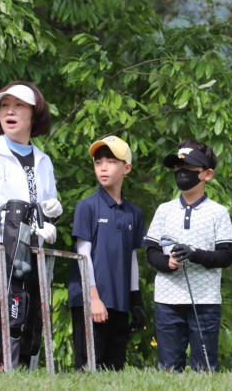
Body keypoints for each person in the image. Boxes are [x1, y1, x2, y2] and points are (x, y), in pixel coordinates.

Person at [0, 81, 62, 368]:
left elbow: (47, 205)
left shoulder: (43, 161)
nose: (10, 111)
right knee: (2, 323)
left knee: (31, 324)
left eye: (19, 105)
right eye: (4, 105)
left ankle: (26, 378)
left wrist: (52, 215)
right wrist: (27, 227)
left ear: (35, 115)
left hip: (34, 256)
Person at [146, 140, 232, 372]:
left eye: (189, 169)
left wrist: (194, 254)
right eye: (177, 169)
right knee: (168, 369)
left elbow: (226, 256)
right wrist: (168, 263)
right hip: (167, 301)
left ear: (207, 174)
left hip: (205, 302)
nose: (181, 173)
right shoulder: (164, 210)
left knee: (204, 370)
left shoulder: (219, 213)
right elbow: (152, 251)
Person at [68, 136, 147, 371]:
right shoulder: (87, 206)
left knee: (114, 372)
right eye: (98, 162)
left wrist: (135, 302)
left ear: (127, 168)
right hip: (90, 301)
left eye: (111, 161)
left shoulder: (134, 213)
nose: (103, 167)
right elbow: (83, 255)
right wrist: (93, 299)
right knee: (89, 370)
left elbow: (132, 258)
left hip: (119, 302)